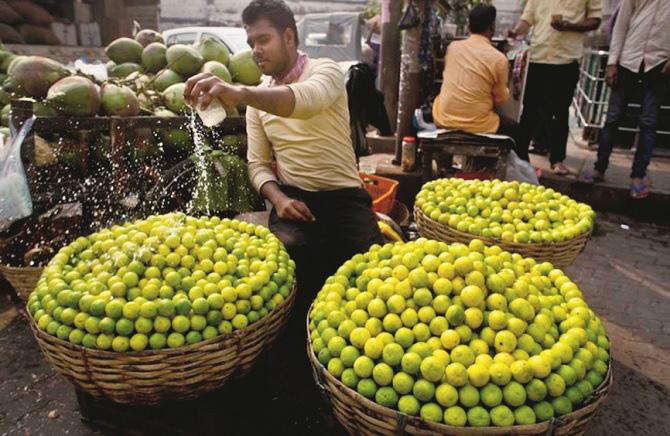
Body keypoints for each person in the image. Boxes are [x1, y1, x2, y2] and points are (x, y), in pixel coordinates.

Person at [184, 0, 383, 325]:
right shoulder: (258, 99)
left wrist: (242, 92)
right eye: (251, 44)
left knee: (371, 275)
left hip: (345, 198)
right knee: (287, 270)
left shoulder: (325, 70)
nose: (255, 51)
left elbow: (305, 101)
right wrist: (279, 200)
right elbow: (258, 165)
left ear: (289, 37)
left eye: (263, 40)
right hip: (294, 200)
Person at [580, 0, 670, 199]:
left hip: (659, 62)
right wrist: (612, 63)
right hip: (628, 59)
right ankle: (599, 168)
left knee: (649, 121)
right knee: (612, 118)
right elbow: (620, 26)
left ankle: (638, 176)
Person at [509, 0, 602, 175]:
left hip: (565, 59)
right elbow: (527, 20)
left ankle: (557, 159)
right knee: (530, 109)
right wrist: (515, 32)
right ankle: (520, 156)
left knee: (560, 111)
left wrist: (569, 25)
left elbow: (595, 20)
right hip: (539, 56)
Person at [432, 4, 519, 143]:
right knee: (515, 129)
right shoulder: (499, 59)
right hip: (478, 123)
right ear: (492, 28)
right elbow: (500, 99)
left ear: (468, 26)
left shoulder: (453, 48)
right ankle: (521, 164)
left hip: (444, 117)